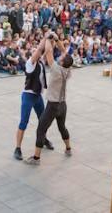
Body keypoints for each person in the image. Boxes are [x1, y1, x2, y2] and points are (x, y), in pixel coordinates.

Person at [25, 34, 73, 165]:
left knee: (41, 129)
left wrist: (47, 38)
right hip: (63, 104)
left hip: (53, 105)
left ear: (62, 62)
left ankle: (36, 158)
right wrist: (57, 40)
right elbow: (63, 51)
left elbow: (49, 53)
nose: (61, 56)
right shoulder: (68, 70)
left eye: (61, 58)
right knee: (62, 126)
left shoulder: (56, 69)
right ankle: (68, 149)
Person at [14, 38, 52, 161]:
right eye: (35, 51)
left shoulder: (40, 62)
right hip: (28, 96)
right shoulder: (30, 64)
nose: (37, 52)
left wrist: (51, 40)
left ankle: (43, 139)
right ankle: (18, 148)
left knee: (43, 121)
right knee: (23, 122)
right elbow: (41, 50)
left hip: (37, 96)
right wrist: (45, 38)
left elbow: (46, 50)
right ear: (32, 56)